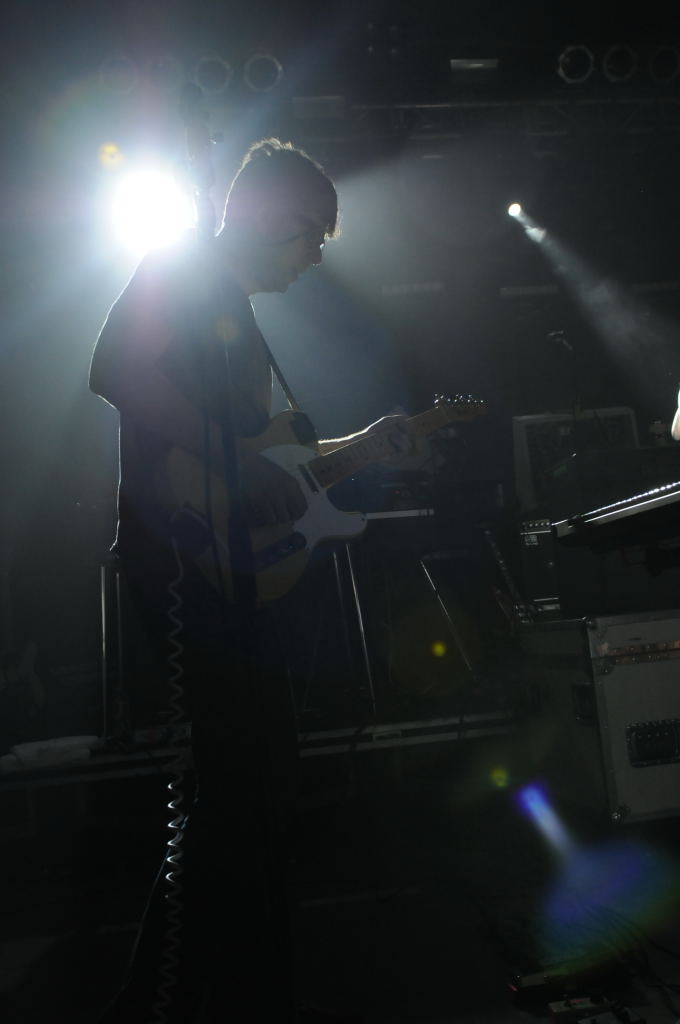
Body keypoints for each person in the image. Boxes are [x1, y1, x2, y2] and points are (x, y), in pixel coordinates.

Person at [90, 137, 412, 1023]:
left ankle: (191, 993)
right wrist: (230, 461)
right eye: (311, 235)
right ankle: (190, 998)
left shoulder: (238, 316)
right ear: (269, 215)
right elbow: (114, 370)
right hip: (182, 566)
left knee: (253, 792)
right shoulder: (179, 270)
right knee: (245, 791)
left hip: (227, 572)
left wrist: (367, 445)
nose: (315, 258)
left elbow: (269, 464)